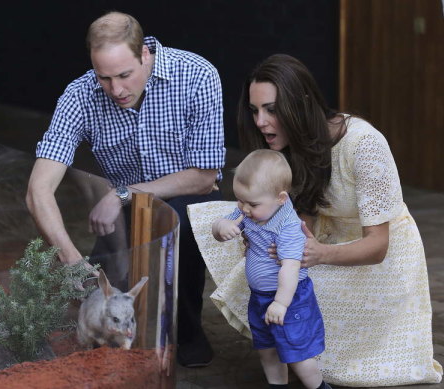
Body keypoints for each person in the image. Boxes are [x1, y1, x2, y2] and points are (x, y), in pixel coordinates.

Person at [193, 53, 442, 386]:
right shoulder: (289, 147)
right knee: (220, 223)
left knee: (294, 291)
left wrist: (315, 254)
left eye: (271, 109)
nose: (261, 122)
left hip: (376, 259)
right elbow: (297, 214)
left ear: (301, 104)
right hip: (322, 239)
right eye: (255, 110)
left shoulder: (363, 144)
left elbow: (379, 245)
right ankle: (288, 351)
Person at [26, 11, 225, 368]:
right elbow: (37, 191)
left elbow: (205, 176)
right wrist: (71, 262)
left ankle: (187, 334)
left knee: (174, 232)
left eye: (124, 75)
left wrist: (121, 193)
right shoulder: (80, 95)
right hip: (123, 207)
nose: (116, 90)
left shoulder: (197, 74)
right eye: (104, 78)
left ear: (145, 55)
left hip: (187, 197)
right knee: (101, 287)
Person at [212, 149, 330, 389]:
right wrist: (221, 226)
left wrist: (281, 303)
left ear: (281, 198)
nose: (244, 209)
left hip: (290, 299)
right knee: (267, 350)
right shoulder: (249, 210)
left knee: (297, 355)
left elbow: (290, 268)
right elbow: (219, 228)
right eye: (240, 200)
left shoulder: (287, 227)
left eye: (252, 203)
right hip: (260, 298)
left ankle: (319, 387)